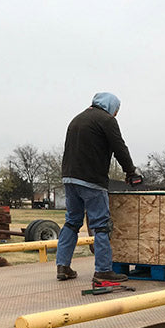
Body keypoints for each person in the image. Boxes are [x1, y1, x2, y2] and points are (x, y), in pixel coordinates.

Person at [55, 92, 141, 284]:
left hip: (69, 178)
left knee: (72, 222)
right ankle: (103, 270)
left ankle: (63, 266)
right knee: (101, 225)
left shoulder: (77, 119)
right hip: (92, 180)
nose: (116, 114)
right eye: (116, 110)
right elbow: (119, 147)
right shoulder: (106, 120)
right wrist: (131, 172)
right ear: (111, 107)